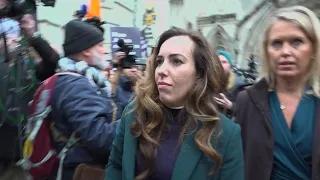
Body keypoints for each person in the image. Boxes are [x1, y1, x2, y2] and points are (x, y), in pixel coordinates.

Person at [105, 28, 244, 180]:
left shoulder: (226, 134)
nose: (162, 70)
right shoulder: (133, 113)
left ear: (199, 72)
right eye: (159, 62)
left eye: (176, 61)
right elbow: (116, 165)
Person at [236, 6, 320, 180]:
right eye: (277, 43)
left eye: (296, 42)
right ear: (267, 50)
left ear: (313, 47)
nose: (285, 52)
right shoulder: (248, 101)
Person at [48, 20, 119, 179]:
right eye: (100, 45)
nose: (104, 51)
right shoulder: (76, 86)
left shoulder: (80, 79)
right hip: (76, 172)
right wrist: (136, 117)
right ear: (86, 50)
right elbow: (101, 138)